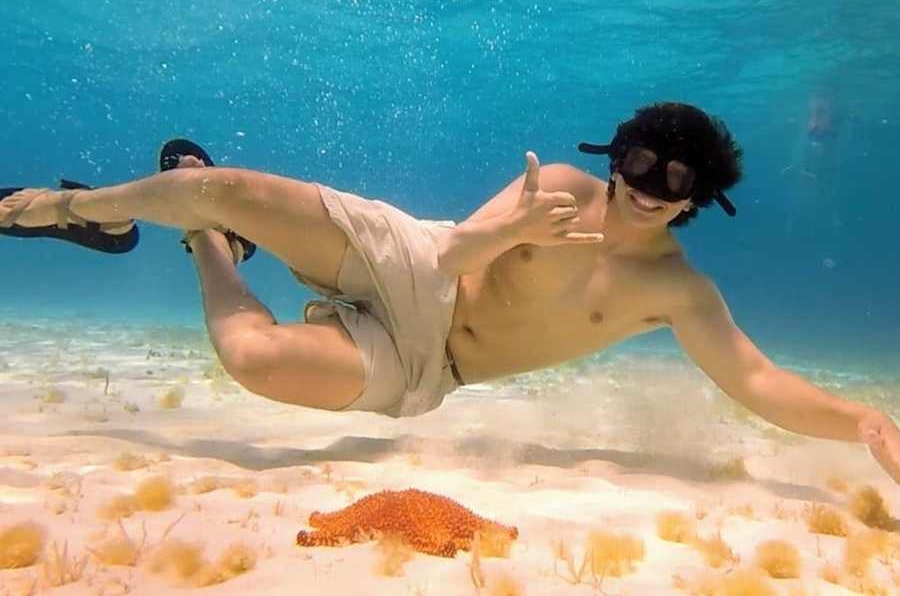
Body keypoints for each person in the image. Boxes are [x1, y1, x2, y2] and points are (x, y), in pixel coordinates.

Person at [2, 102, 898, 483]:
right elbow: (455, 252)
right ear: (614, 155)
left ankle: (211, 251)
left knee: (254, 358)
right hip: (414, 259)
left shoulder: (680, 293)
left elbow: (759, 384)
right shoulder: (556, 185)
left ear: (699, 199)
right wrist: (511, 231)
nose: (648, 186)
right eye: (637, 162)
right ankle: (70, 209)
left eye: (674, 179)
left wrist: (863, 422)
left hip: (431, 365)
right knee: (217, 181)